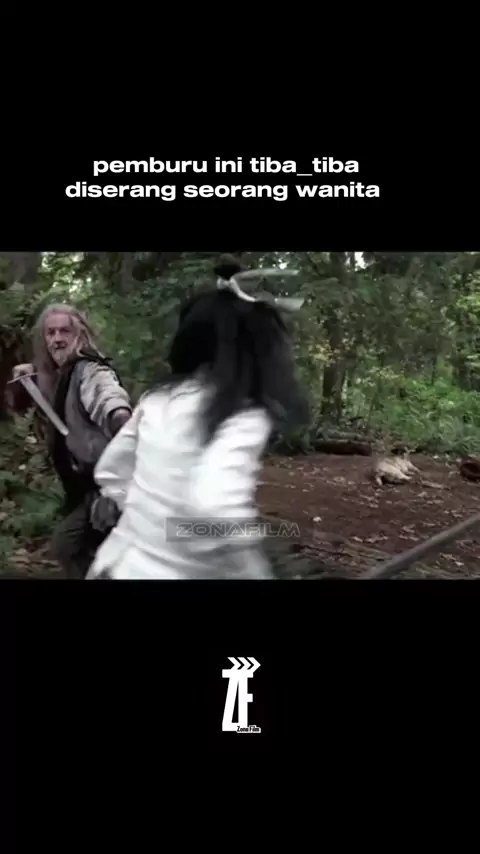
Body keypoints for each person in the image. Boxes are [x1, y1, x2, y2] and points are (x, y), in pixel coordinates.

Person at [87, 262, 308, 580]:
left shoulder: (157, 399)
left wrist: (143, 519)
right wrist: (253, 571)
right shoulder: (242, 416)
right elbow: (215, 510)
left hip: (116, 567)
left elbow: (112, 471)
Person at [8, 303, 132, 578]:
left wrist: (120, 419)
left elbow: (108, 396)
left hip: (109, 486)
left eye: (65, 331)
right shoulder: (60, 374)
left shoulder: (90, 370)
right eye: (50, 333)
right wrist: (28, 371)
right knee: (80, 548)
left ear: (80, 335)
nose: (57, 339)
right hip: (84, 489)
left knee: (72, 546)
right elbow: (31, 395)